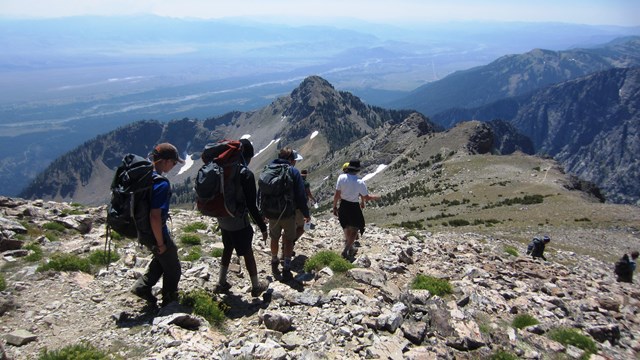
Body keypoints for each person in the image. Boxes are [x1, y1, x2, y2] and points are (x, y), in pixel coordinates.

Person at [213, 139, 269, 297]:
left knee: (227, 248)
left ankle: (221, 282)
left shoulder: (222, 169)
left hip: (223, 217)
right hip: (238, 220)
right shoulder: (245, 174)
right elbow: (251, 206)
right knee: (247, 252)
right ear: (246, 156)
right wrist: (263, 227)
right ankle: (256, 286)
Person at [131, 143, 184, 308]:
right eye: (174, 163)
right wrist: (160, 243)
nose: (174, 166)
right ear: (165, 161)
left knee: (162, 259)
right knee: (173, 267)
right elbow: (155, 215)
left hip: (141, 228)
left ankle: (142, 287)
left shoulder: (146, 176)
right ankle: (169, 301)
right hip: (154, 231)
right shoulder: (161, 183)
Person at [266, 147, 310, 281]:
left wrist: (262, 212)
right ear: (290, 160)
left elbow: (261, 192)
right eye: (294, 160)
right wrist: (306, 213)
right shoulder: (293, 171)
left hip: (272, 212)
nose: (295, 163)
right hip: (288, 212)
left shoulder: (268, 169)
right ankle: (286, 267)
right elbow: (301, 195)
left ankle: (274, 261)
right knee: (289, 239)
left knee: (274, 238)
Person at [332, 159, 379, 260]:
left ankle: (350, 248)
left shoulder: (341, 177)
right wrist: (377, 197)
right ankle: (346, 249)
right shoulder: (360, 182)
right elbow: (366, 197)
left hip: (343, 205)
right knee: (354, 229)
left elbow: (336, 195)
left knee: (346, 226)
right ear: (358, 170)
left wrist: (334, 207)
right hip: (354, 207)